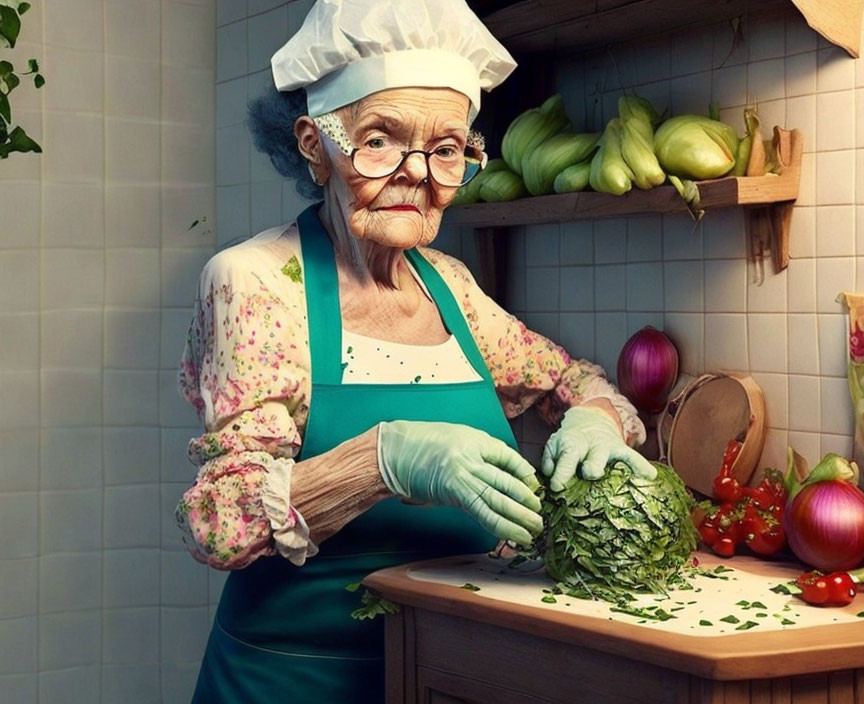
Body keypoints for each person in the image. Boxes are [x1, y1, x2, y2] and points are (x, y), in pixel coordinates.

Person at [176, 0, 653, 700]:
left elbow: (572, 381)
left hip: (448, 676)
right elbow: (221, 522)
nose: (417, 173)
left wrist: (596, 419)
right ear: (316, 144)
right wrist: (382, 460)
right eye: (378, 141)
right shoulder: (254, 283)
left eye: (448, 149)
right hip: (293, 681)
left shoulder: (450, 286)